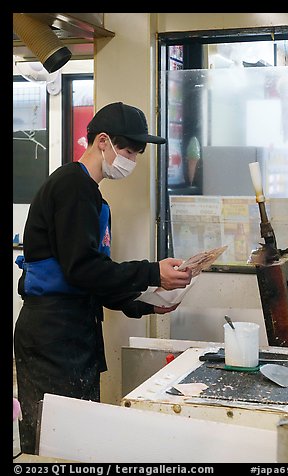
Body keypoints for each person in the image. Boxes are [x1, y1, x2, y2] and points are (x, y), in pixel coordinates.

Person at [14, 101, 192, 454]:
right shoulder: (72, 187)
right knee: (55, 443)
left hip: (75, 329)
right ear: (102, 142)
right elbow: (81, 268)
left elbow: (92, 276)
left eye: (137, 153)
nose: (132, 160)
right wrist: (152, 271)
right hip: (53, 335)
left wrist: (143, 303)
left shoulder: (91, 196)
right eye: (127, 150)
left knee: (77, 437)